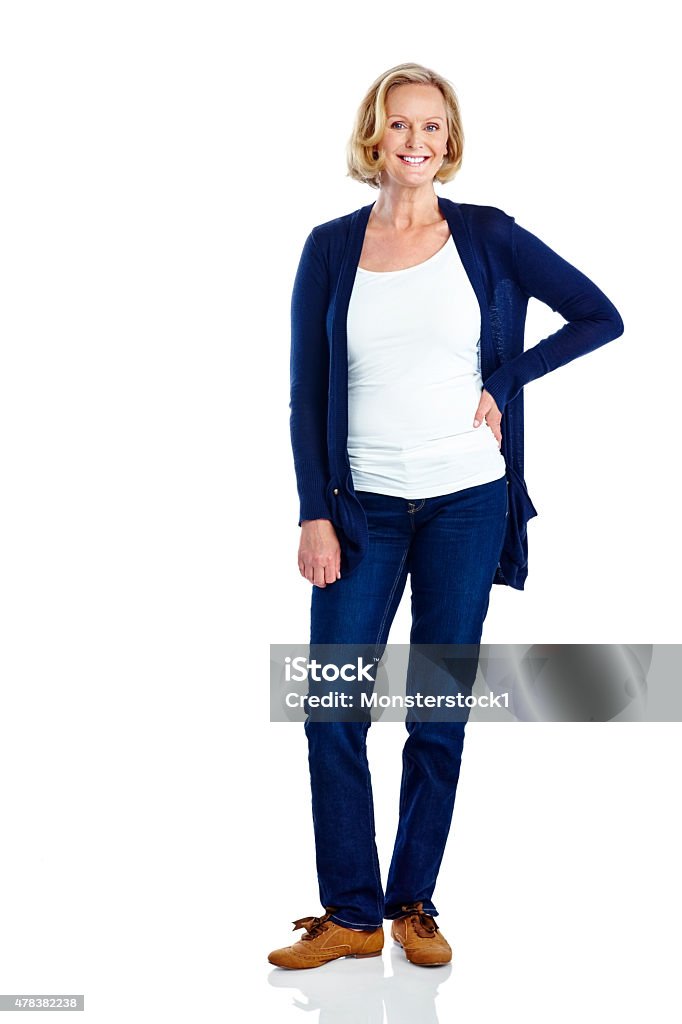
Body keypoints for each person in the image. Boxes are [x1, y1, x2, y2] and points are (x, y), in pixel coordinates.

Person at [268, 62, 624, 970]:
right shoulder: (329, 246)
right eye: (400, 126)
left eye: (433, 127)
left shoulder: (490, 237)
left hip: (467, 501)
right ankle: (349, 914)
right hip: (361, 511)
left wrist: (508, 380)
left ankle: (412, 902)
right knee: (334, 712)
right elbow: (310, 396)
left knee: (437, 709)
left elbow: (598, 316)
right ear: (373, 137)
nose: (417, 142)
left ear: (450, 141)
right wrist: (314, 513)